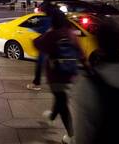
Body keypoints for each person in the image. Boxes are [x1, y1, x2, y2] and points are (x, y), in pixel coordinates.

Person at [33, 8, 84, 144]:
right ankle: (51, 117)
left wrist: (48, 32)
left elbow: (37, 43)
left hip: (56, 76)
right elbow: (81, 53)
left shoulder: (53, 35)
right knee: (61, 97)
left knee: (62, 104)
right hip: (71, 75)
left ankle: (71, 136)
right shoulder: (70, 33)